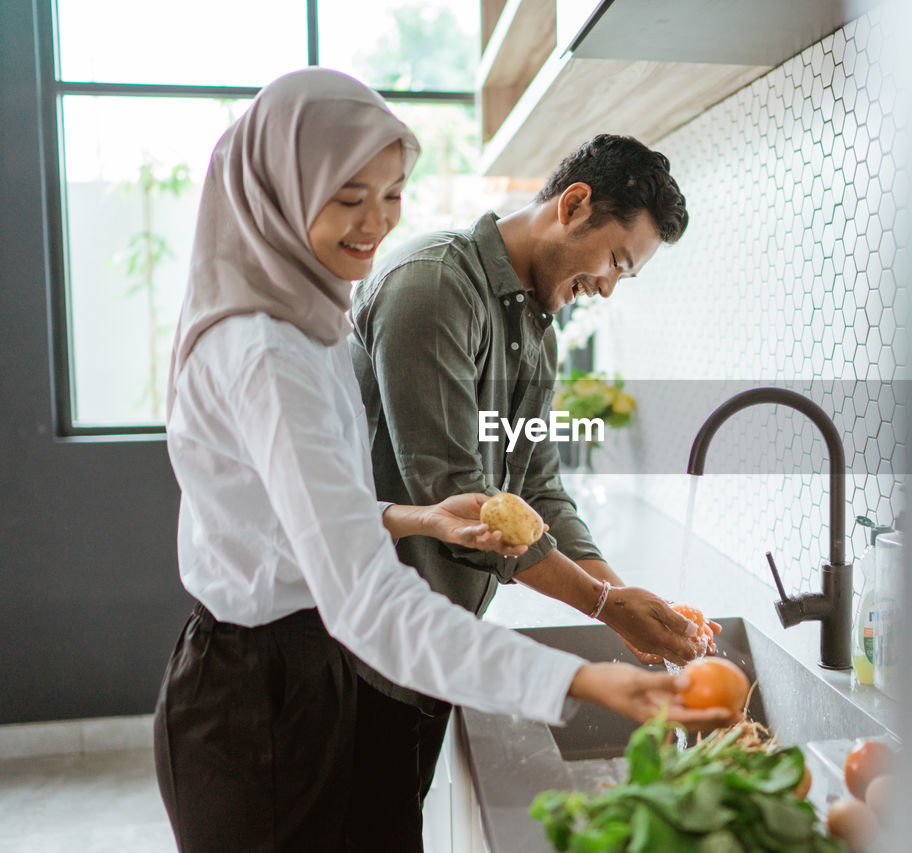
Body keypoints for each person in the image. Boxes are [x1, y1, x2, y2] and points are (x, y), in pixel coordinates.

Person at [154, 69, 732, 853]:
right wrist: (587, 651)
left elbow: (521, 483)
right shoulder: (362, 313)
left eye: (391, 194)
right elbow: (385, 565)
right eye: (350, 195)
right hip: (293, 673)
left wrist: (618, 591)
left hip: (348, 653)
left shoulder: (318, 322)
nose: (377, 222)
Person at [345, 133, 710, 830]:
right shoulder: (433, 285)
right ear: (573, 205)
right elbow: (457, 495)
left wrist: (623, 595)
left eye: (623, 277)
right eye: (615, 261)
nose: (606, 287)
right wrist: (604, 602)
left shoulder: (534, 325)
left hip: (427, 643)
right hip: (357, 651)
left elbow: (539, 489)